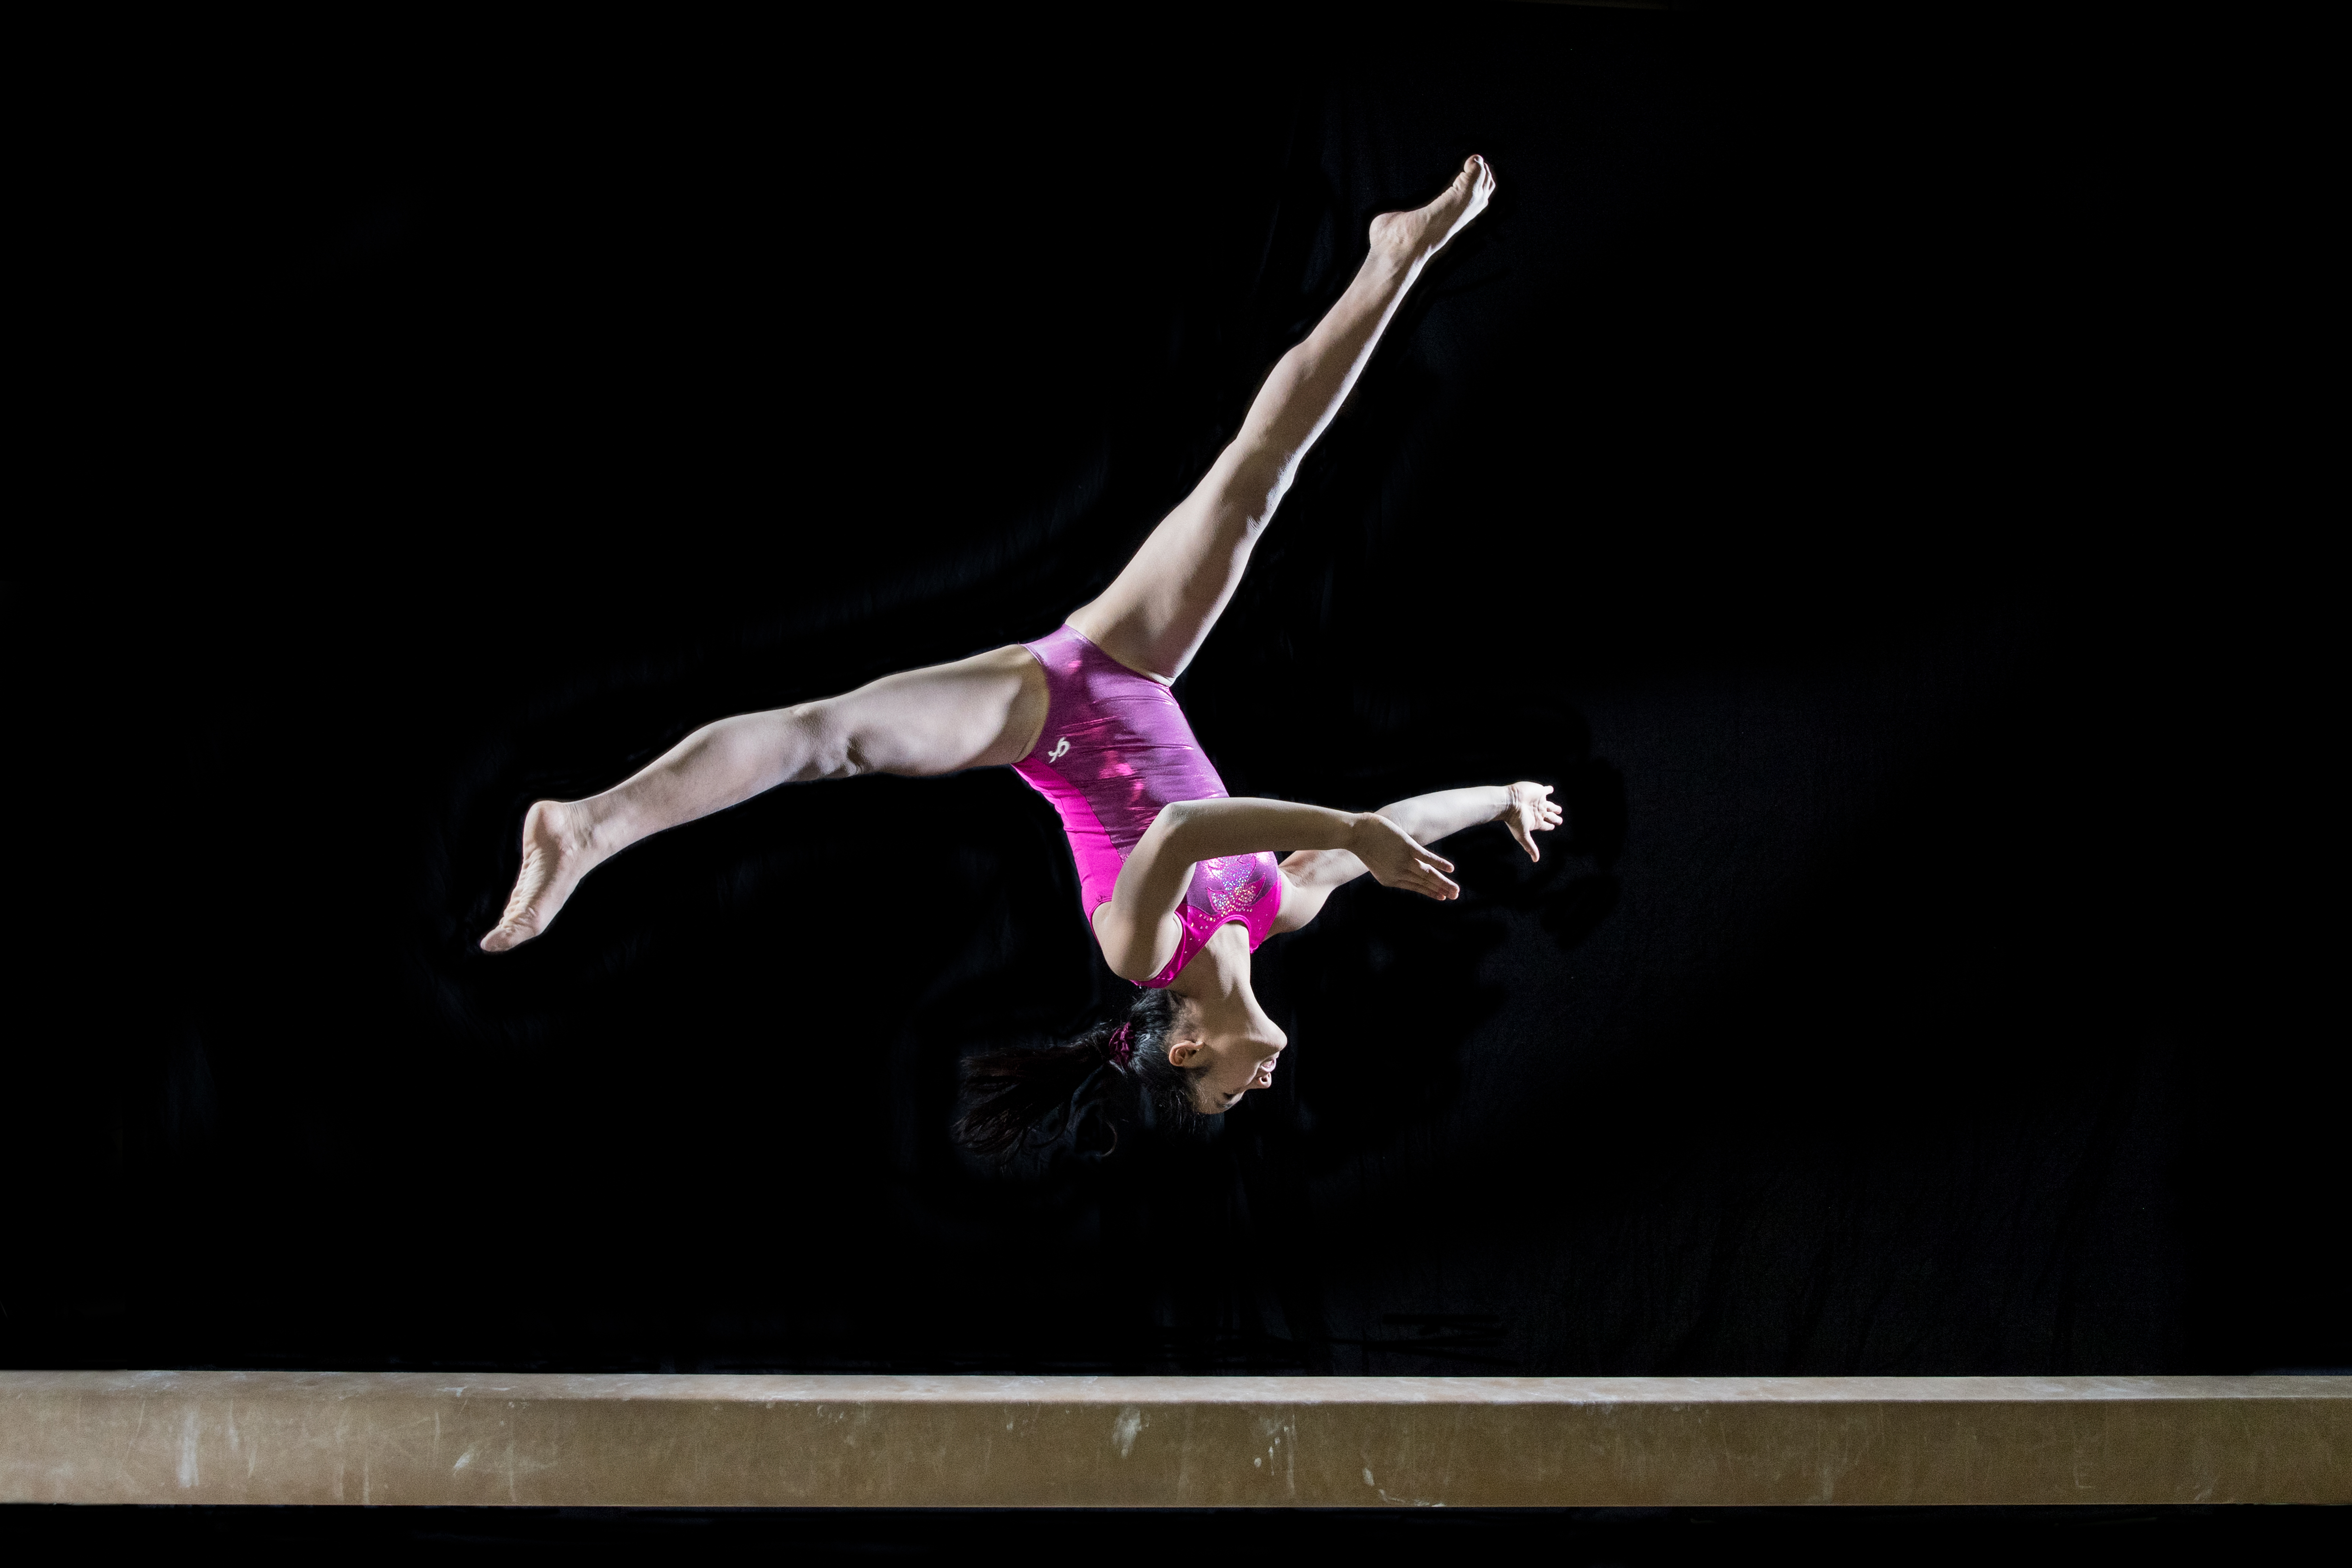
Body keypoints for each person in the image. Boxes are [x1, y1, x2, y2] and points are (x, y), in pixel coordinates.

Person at [480, 156, 1560, 1152]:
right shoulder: (1285, 905)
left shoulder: (1143, 951)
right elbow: (1395, 828)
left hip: (1046, 713)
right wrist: (1497, 796)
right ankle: (1394, 255)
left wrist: (1352, 829)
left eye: (1229, 1092)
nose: (1262, 1085)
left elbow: (1183, 828)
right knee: (1255, 483)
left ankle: (589, 824)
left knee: (830, 740)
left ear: (1189, 1049)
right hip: (1133, 669)